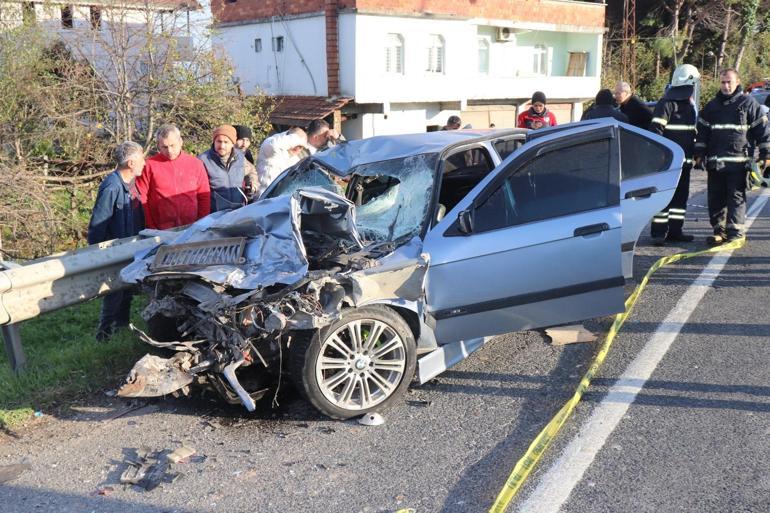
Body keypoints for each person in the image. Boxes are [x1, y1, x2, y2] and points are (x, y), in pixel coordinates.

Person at [695, 68, 770, 245]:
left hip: (739, 163)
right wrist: (699, 153)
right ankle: (719, 231)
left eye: (729, 82)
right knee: (716, 198)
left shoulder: (749, 103)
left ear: (737, 82)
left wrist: (766, 154)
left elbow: (762, 132)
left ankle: (735, 232)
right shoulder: (712, 106)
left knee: (736, 198)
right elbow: (703, 133)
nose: (726, 85)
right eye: (723, 82)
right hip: (716, 163)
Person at [87, 141, 146, 341]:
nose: (144, 163)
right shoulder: (112, 186)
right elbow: (98, 224)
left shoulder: (131, 184)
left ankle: (121, 328)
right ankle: (104, 334)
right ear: (131, 163)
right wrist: (96, 254)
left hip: (130, 246)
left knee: (126, 289)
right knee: (114, 293)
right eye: (141, 159)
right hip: (114, 249)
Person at [648, 64, 700, 245]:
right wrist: (662, 158)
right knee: (664, 198)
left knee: (680, 198)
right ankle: (658, 233)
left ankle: (676, 231)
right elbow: (655, 131)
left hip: (684, 164)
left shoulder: (688, 106)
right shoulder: (666, 103)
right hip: (668, 164)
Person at [137, 124, 211, 229]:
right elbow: (142, 198)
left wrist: (201, 224)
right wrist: (151, 227)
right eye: (165, 147)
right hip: (160, 228)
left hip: (192, 227)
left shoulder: (196, 164)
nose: (169, 151)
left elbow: (204, 196)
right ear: (158, 146)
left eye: (173, 145)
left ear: (180, 142)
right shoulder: (149, 165)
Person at [198, 125, 258, 212]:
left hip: (238, 211)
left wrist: (253, 184)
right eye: (219, 141)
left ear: (232, 143)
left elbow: (251, 172)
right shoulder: (203, 160)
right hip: (214, 215)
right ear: (214, 141)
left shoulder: (240, 158)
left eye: (226, 142)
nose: (222, 146)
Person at [255, 127, 308, 195]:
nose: (297, 148)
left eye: (301, 147)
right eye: (296, 144)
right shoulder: (271, 144)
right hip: (262, 196)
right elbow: (274, 145)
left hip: (279, 199)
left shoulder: (295, 160)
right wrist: (296, 139)